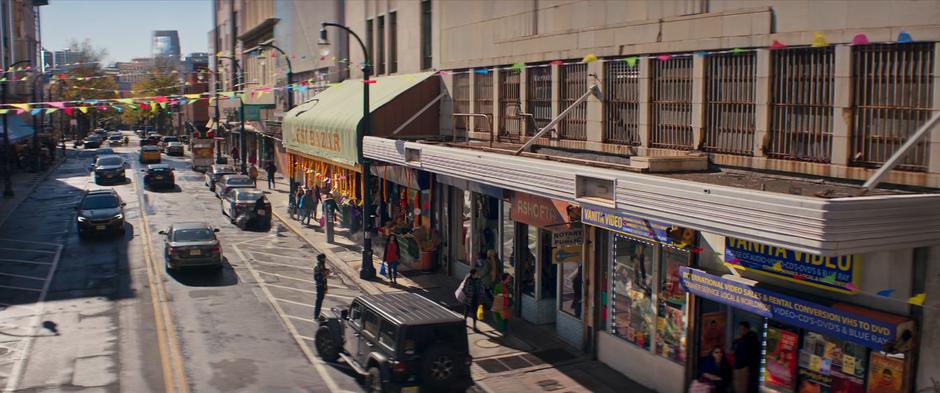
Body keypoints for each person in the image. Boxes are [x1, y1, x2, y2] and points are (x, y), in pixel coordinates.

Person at [732, 321, 761, 393]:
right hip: (746, 369)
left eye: (742, 329)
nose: (740, 331)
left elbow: (741, 355)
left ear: (747, 329)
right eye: (739, 329)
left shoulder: (746, 341)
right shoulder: (746, 339)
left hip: (744, 369)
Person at [313, 254, 330, 320]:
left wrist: (326, 271)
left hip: (322, 285)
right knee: (319, 302)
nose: (325, 259)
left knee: (320, 301)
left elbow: (323, 272)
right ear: (321, 259)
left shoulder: (321, 265)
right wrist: (325, 274)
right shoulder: (319, 266)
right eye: (324, 258)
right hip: (320, 286)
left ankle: (317, 315)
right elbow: (319, 276)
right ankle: (316, 316)